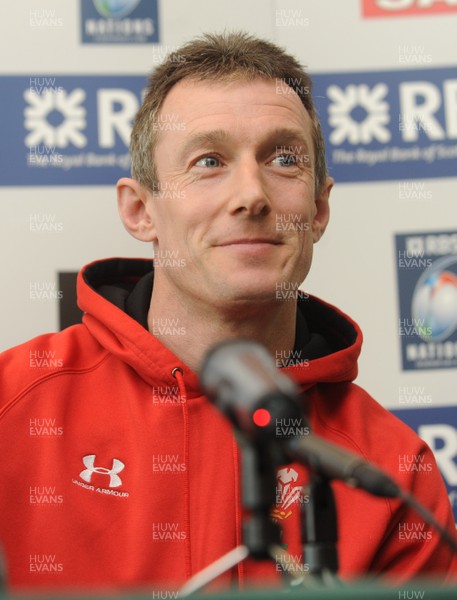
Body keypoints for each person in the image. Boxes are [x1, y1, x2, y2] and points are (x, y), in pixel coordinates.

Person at [0, 31, 456, 594]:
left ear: (317, 210)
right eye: (209, 161)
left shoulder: (390, 469)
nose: (251, 195)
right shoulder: (13, 406)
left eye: (284, 158)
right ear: (141, 211)